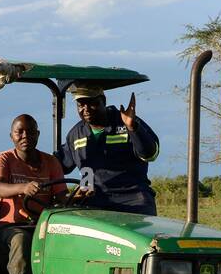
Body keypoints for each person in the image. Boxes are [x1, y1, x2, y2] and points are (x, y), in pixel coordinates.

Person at [0, 114, 67, 274]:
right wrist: (23, 187)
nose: (25, 136)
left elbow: (62, 196)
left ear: (38, 135)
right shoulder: (4, 159)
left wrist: (77, 197)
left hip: (43, 225)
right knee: (21, 241)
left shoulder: (51, 162)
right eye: (19, 132)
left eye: (30, 132)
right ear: (11, 136)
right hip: (12, 227)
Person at [57, 85, 161, 214]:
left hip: (133, 201)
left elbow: (151, 154)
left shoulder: (127, 122)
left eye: (92, 103)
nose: (86, 109)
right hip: (93, 202)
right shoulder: (76, 134)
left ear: (103, 101)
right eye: (81, 105)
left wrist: (132, 127)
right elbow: (59, 165)